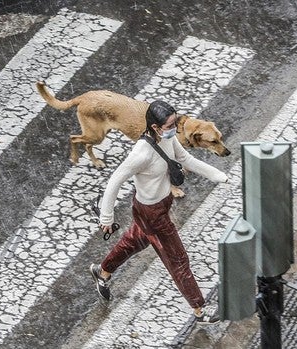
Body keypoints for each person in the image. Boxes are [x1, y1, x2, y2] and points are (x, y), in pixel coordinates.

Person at [90, 100, 229, 324]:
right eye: (171, 125)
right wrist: (107, 217)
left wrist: (217, 175)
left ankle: (102, 272)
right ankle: (200, 311)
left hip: (161, 204)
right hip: (152, 213)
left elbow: (186, 159)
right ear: (155, 127)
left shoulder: (169, 138)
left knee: (135, 240)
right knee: (178, 260)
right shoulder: (142, 154)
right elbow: (115, 180)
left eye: (175, 123)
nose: (175, 128)